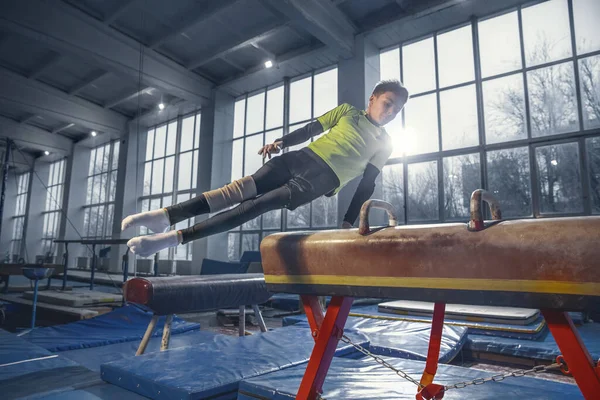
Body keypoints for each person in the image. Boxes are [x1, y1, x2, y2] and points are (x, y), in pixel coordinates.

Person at [122, 79, 409, 257]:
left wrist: (350, 221)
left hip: (319, 181)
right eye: (388, 104)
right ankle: (166, 216)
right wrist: (281, 142)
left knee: (254, 206)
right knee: (237, 190)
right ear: (372, 99)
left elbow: (366, 185)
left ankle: (170, 239)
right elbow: (312, 128)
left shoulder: (385, 142)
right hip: (300, 157)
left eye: (396, 110)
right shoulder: (346, 111)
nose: (391, 112)